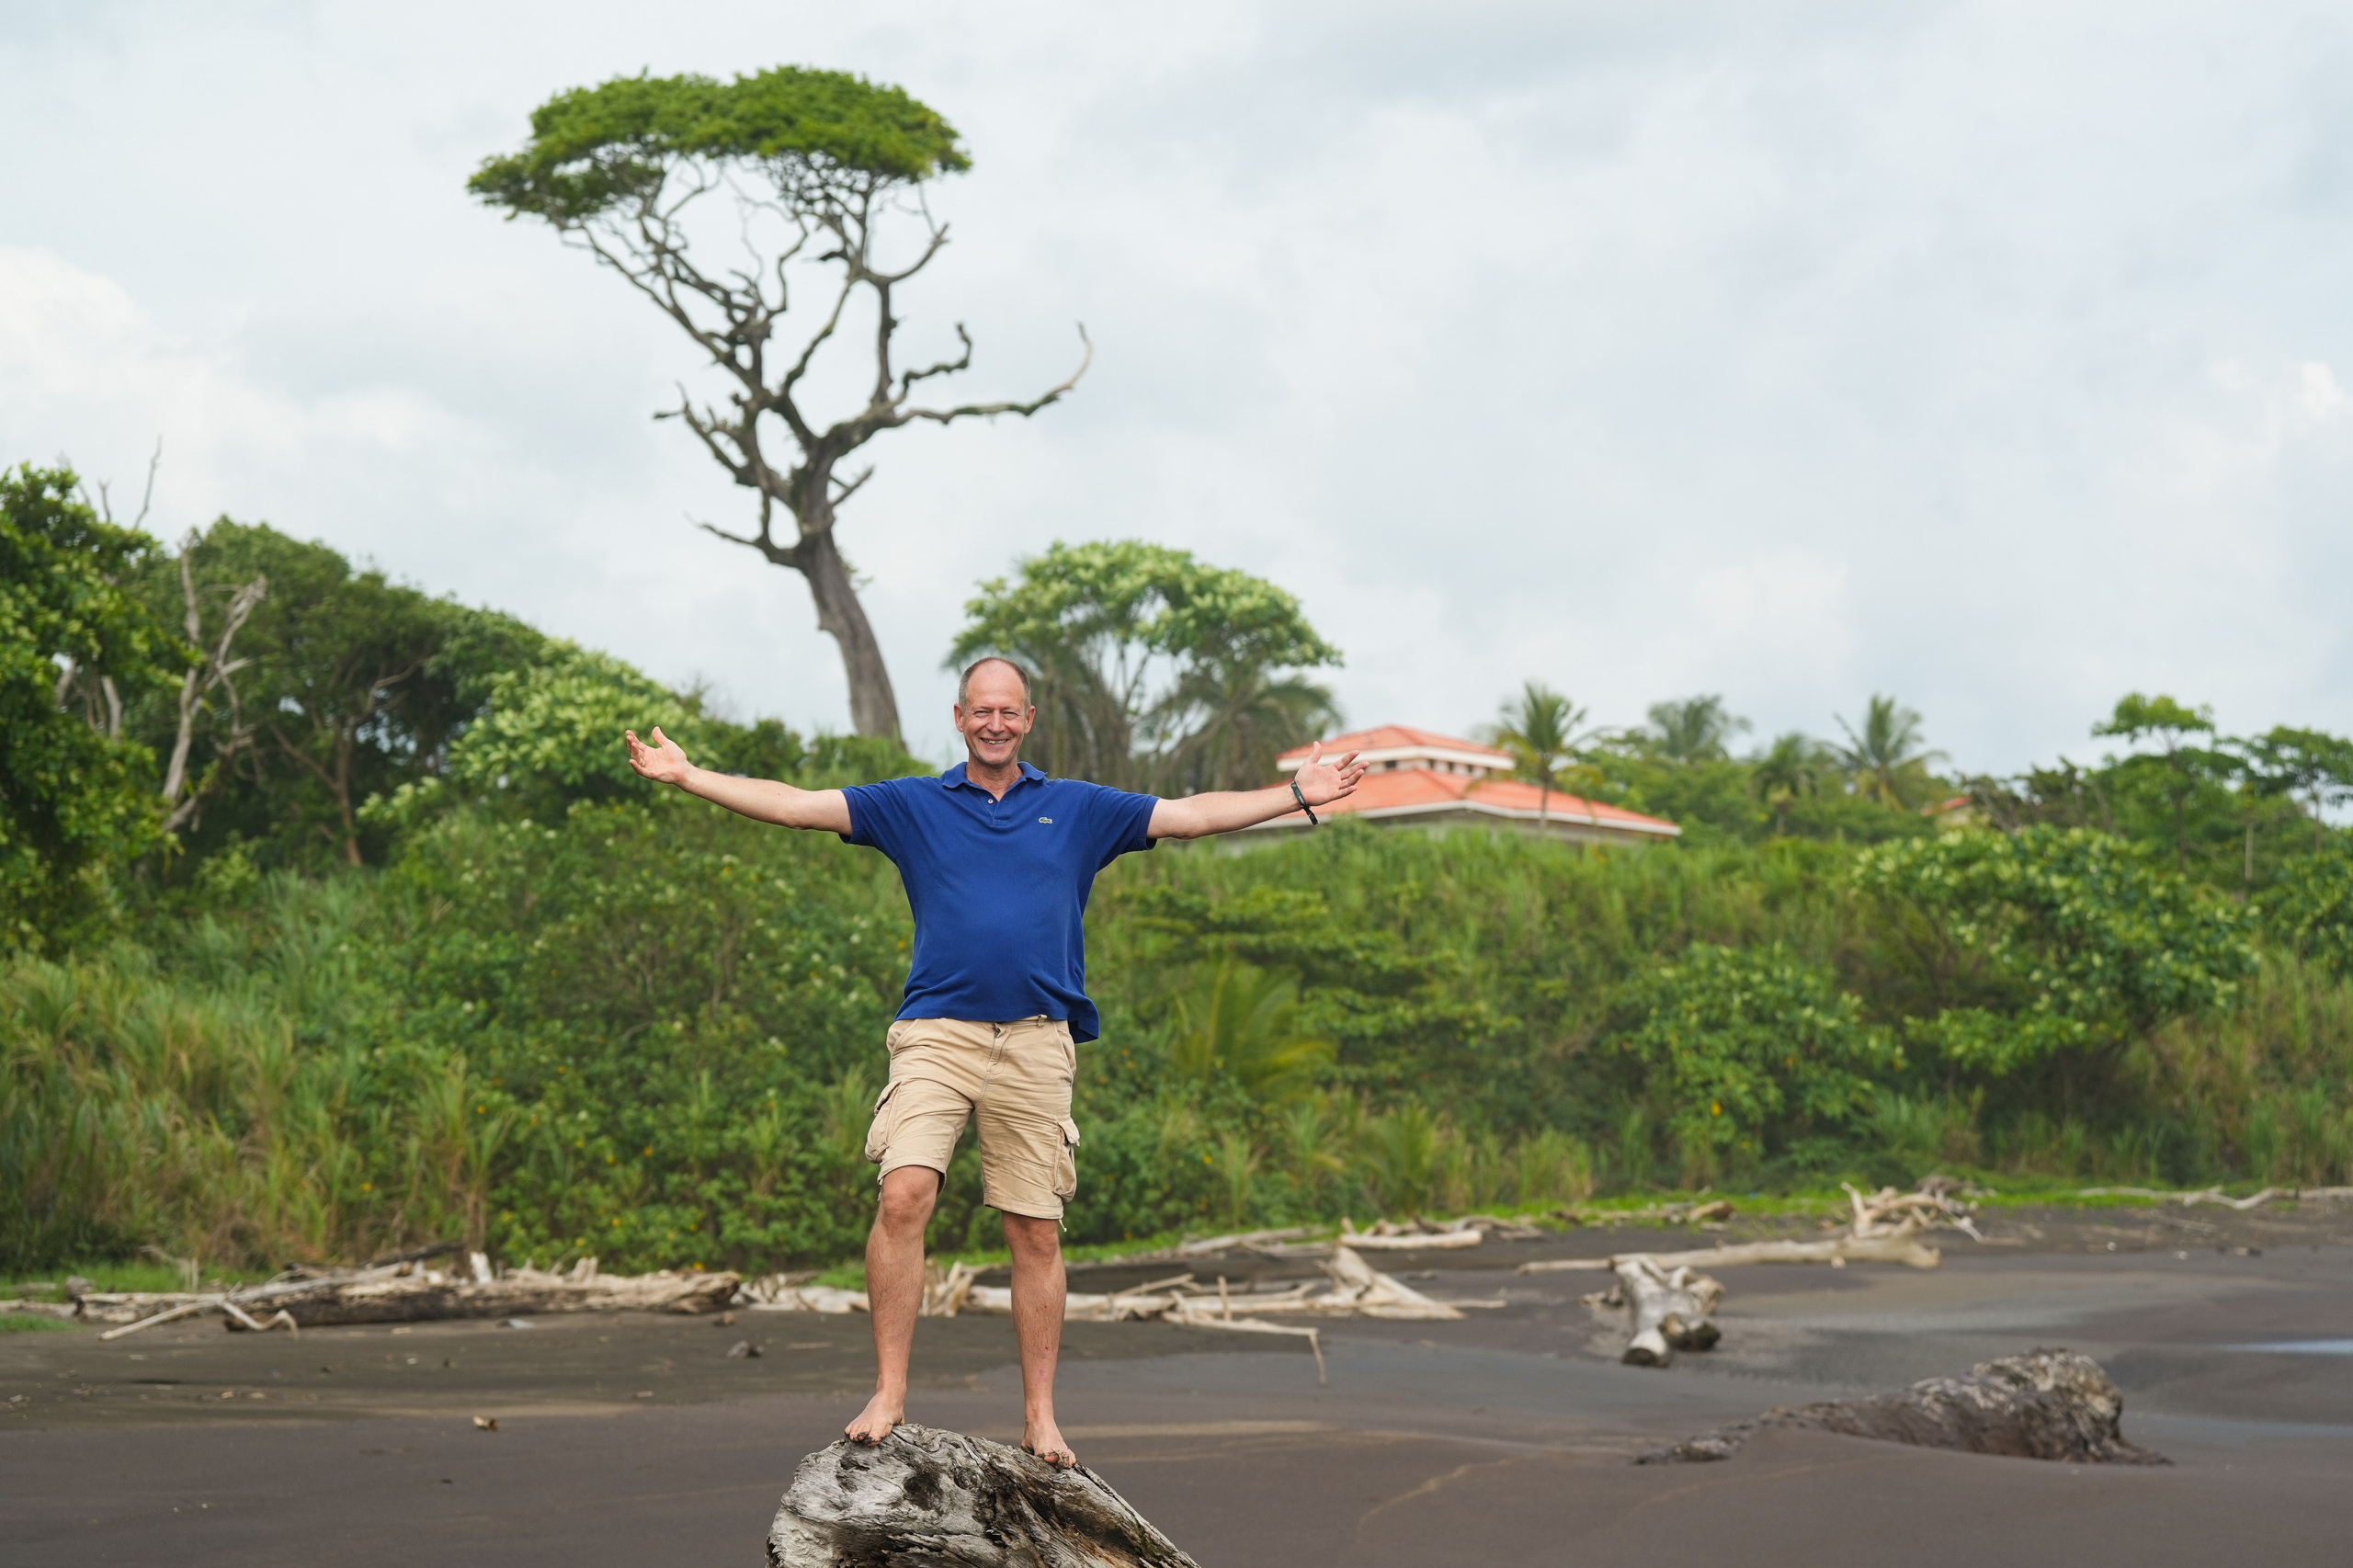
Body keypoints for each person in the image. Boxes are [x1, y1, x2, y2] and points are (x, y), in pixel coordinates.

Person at [623, 654, 1364, 1467]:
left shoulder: (1078, 809)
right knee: (904, 1196)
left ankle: (1041, 1416)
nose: (996, 723)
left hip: (1039, 1039)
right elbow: (798, 806)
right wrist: (691, 777)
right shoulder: (912, 804)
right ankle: (889, 1392)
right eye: (982, 711)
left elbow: (1189, 815)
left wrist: (1297, 795)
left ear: (1028, 720)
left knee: (1035, 1230)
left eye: (1009, 712)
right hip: (936, 1031)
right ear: (960, 716)